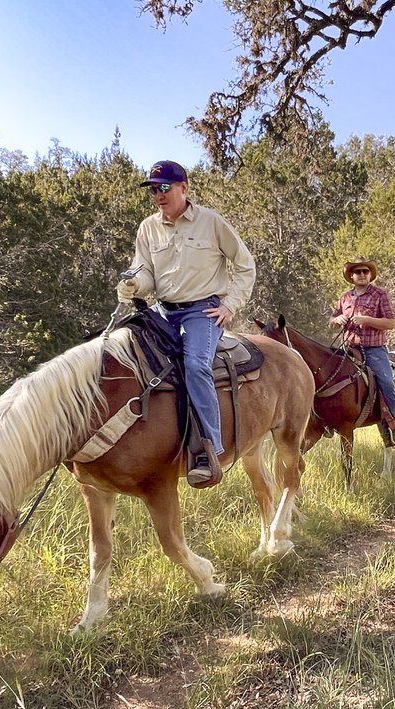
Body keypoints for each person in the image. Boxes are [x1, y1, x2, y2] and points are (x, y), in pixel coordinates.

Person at [117, 160, 256, 485]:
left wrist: (230, 306)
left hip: (202, 311)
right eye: (154, 189)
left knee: (195, 366)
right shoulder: (147, 228)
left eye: (164, 187)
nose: (158, 195)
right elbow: (146, 273)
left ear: (184, 188)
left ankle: (210, 449)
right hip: (164, 310)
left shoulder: (211, 222)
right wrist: (134, 285)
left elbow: (245, 265)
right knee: (121, 350)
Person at [329, 257, 395, 447]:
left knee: (387, 382)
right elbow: (332, 320)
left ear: (370, 274)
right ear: (352, 276)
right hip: (347, 349)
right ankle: (325, 420)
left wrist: (367, 320)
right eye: (358, 272)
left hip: (373, 350)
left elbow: (390, 322)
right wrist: (337, 319)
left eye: (365, 271)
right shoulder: (345, 297)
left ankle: (392, 427)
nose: (362, 275)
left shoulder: (380, 294)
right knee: (324, 375)